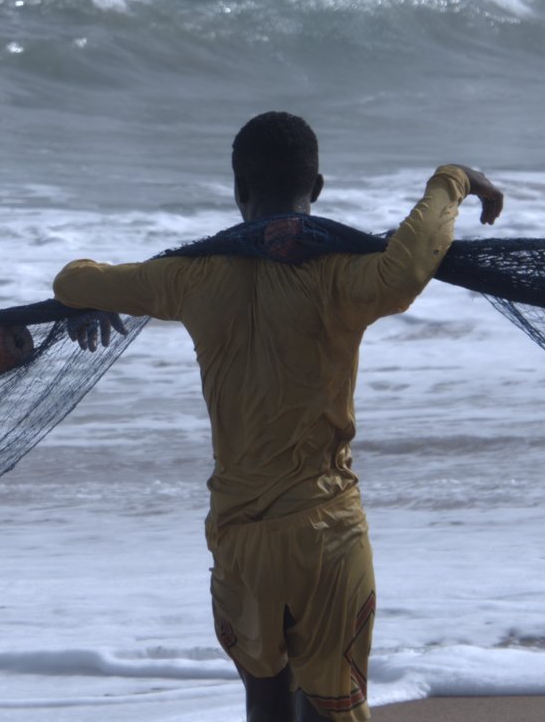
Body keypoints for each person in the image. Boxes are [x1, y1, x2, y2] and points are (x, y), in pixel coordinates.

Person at [52, 112, 502, 722]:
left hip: (241, 538)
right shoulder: (339, 274)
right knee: (335, 704)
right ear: (316, 188)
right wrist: (454, 180)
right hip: (327, 529)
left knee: (265, 700)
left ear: (238, 191)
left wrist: (89, 298)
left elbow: (72, 278)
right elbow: (406, 266)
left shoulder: (189, 276)